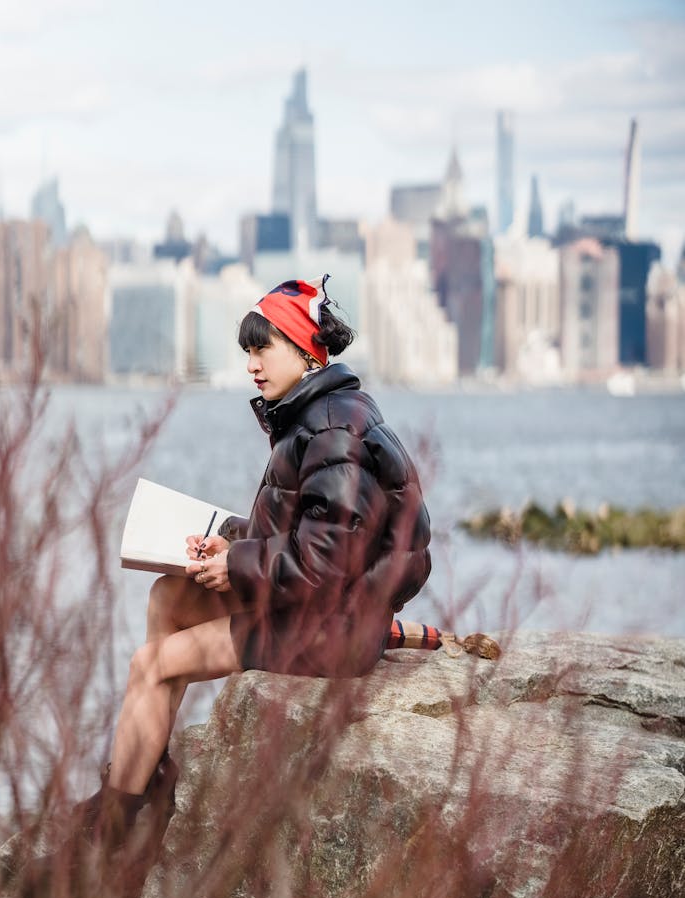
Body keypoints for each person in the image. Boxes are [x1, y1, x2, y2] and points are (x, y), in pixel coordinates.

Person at [77, 275, 431, 854]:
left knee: (154, 663)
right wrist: (232, 544)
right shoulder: (317, 414)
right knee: (169, 597)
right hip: (314, 604)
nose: (251, 364)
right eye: (247, 350)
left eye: (262, 347)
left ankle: (113, 827)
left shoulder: (333, 431)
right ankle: (148, 773)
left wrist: (242, 564)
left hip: (328, 628)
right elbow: (308, 528)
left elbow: (323, 561)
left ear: (304, 351)